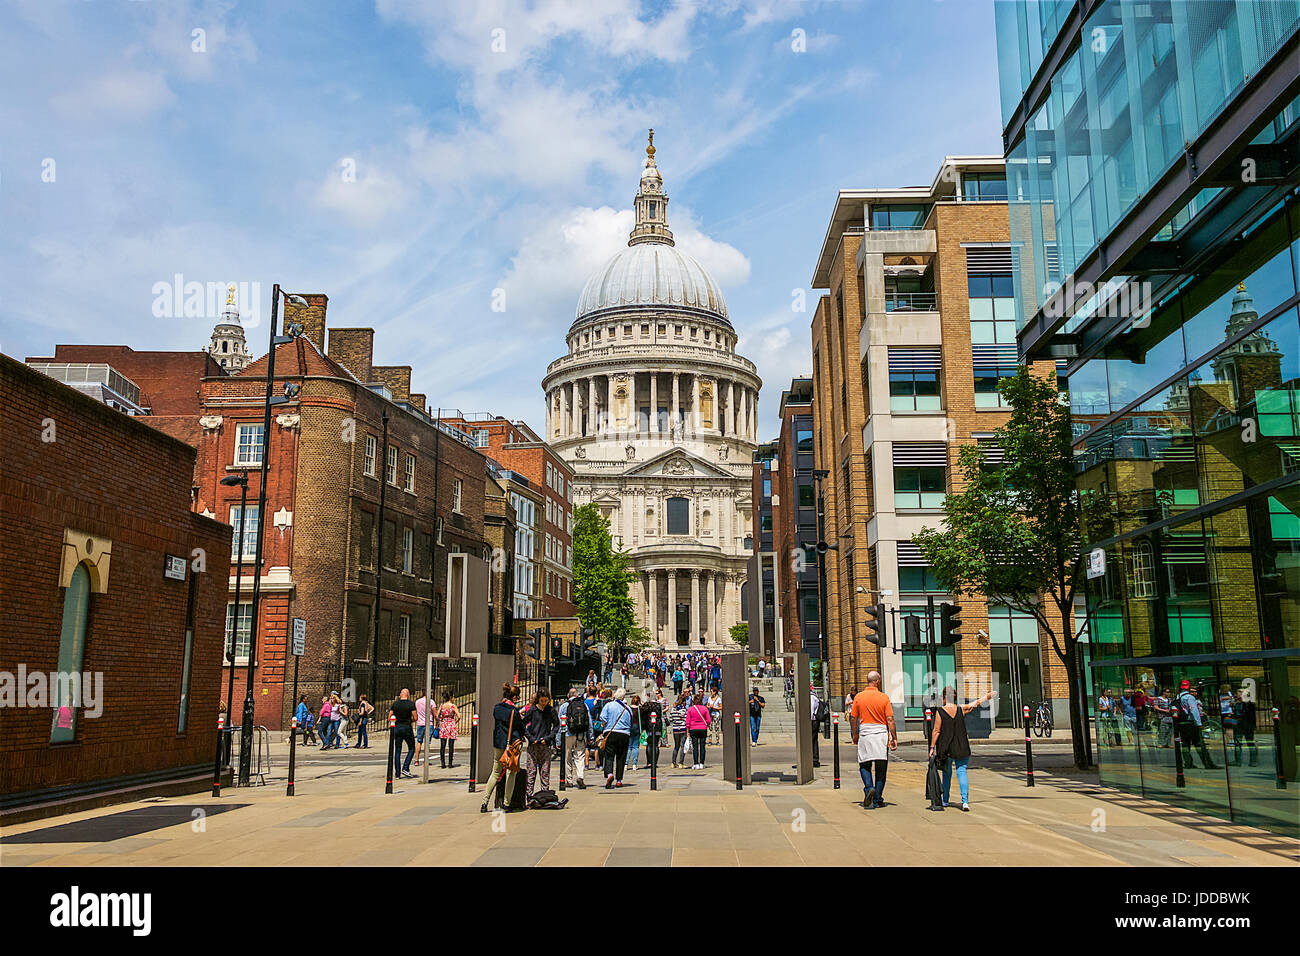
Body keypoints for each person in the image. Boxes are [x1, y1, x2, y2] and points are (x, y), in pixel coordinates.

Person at [929, 686, 997, 811]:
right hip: (962, 746)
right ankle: (965, 802)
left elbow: (936, 731)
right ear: (953, 697)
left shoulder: (940, 712)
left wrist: (932, 747)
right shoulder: (961, 709)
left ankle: (945, 800)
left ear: (944, 697)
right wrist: (987, 697)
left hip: (946, 747)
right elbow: (975, 704)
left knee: (947, 774)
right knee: (962, 772)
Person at [849, 672, 897, 809]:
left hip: (865, 732)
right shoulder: (884, 698)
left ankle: (869, 788)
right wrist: (894, 737)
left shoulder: (859, 697)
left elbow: (853, 718)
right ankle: (877, 799)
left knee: (864, 764)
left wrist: (855, 734)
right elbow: (890, 720)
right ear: (877, 681)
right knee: (881, 768)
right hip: (881, 734)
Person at [481, 683, 525, 812]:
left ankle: (484, 802)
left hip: (499, 744)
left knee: (495, 772)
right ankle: (506, 803)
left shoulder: (497, 708)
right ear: (515, 697)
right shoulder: (514, 711)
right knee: (511, 773)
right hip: (512, 745)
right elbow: (521, 728)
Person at [521, 688, 559, 798]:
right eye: (542, 701)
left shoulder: (550, 710)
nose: (544, 703)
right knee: (531, 772)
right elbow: (523, 725)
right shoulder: (533, 710)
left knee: (545, 772)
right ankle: (529, 796)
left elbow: (556, 726)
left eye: (546, 701)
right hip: (533, 744)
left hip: (545, 744)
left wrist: (548, 738)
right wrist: (530, 738)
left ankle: (545, 796)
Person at [1174, 679, 1218, 769]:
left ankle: (1188, 763)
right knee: (1199, 744)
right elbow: (1194, 711)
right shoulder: (1190, 697)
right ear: (1188, 687)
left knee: (1186, 744)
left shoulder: (1177, 697)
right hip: (1191, 723)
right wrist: (1199, 723)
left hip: (1181, 723)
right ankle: (1208, 764)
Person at [600, 688, 635, 788]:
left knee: (609, 755)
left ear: (615, 695)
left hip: (610, 732)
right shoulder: (628, 709)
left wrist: (605, 726)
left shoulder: (608, 705)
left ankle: (610, 774)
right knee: (621, 757)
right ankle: (619, 780)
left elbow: (603, 718)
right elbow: (631, 723)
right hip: (624, 734)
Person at [559, 688, 589, 788]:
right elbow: (589, 722)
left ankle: (569, 780)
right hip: (580, 734)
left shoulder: (564, 706)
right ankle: (580, 776)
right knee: (580, 756)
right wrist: (590, 736)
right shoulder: (583, 705)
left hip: (568, 734)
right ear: (577, 695)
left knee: (567, 757)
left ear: (568, 696)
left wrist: (558, 740)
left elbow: (560, 724)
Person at [389, 688, 417, 779]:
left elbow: (390, 716)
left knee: (397, 750)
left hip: (397, 727)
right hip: (407, 727)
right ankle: (405, 767)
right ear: (408, 694)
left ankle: (397, 773)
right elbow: (415, 717)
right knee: (412, 747)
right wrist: (410, 720)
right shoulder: (410, 704)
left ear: (401, 694)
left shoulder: (395, 704)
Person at [686, 692, 711, 769]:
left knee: (695, 747)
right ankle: (702, 763)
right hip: (703, 728)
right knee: (702, 746)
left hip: (693, 728)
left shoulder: (690, 709)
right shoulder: (704, 708)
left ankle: (696, 763)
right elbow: (709, 720)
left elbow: (687, 721)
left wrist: (687, 731)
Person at [1233, 687, 1258, 766]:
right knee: (1239, 744)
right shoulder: (1237, 703)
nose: (1237, 694)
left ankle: (1252, 761)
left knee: (1249, 743)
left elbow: (1251, 716)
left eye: (1239, 692)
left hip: (1246, 725)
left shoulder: (1248, 704)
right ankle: (1238, 761)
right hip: (1240, 726)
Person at [437, 691, 459, 768]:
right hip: (451, 725)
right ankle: (450, 763)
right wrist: (454, 722)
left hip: (444, 725)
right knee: (451, 745)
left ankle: (443, 763)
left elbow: (437, 715)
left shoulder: (442, 706)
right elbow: (459, 716)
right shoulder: (453, 706)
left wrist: (441, 719)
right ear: (451, 697)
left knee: (442, 745)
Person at [669, 692, 690, 767]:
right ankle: (681, 762)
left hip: (675, 729)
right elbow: (686, 720)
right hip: (682, 728)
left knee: (676, 746)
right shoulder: (684, 710)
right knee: (682, 746)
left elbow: (670, 719)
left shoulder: (673, 709)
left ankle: (673, 762)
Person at [413, 689, 430, 766]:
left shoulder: (417, 702)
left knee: (419, 742)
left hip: (420, 723)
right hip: (428, 723)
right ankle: (425, 761)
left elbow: (415, 711)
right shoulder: (431, 701)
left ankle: (416, 760)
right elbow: (434, 712)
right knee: (427, 743)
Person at [626, 694, 643, 772]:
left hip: (629, 727)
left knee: (629, 746)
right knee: (636, 746)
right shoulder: (640, 709)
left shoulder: (628, 708)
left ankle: (626, 764)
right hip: (637, 727)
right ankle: (634, 764)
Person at [810, 685, 823, 767]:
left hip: (812, 721)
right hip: (814, 720)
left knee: (811, 740)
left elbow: (811, 711)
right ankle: (815, 759)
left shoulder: (811, 697)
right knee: (814, 740)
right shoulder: (814, 696)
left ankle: (814, 759)